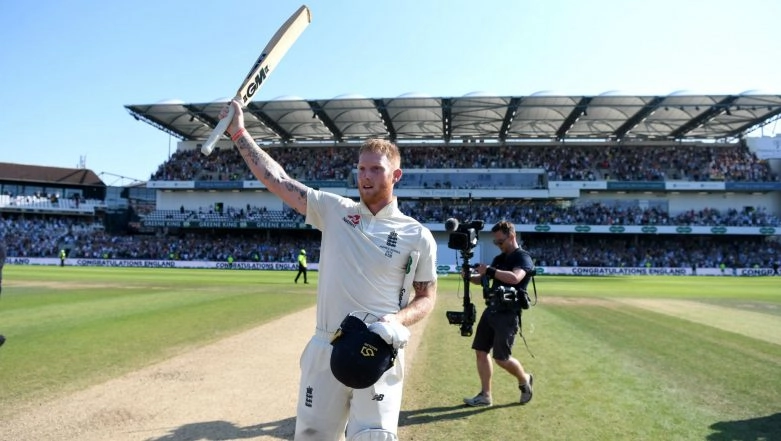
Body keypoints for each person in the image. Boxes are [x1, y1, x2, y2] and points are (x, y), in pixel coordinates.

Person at [220, 100, 438, 441]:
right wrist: (239, 133)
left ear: (396, 175)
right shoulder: (334, 210)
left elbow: (426, 297)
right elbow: (278, 179)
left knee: (373, 438)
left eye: (376, 169)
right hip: (326, 346)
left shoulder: (417, 234)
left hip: (377, 349)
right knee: (312, 436)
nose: (365, 177)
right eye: (361, 169)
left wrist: (397, 320)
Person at [463, 220, 534, 407]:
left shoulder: (522, 258)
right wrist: (469, 276)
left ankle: (524, 378)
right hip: (492, 309)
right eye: (496, 242)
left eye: (500, 241)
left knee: (502, 358)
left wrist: (491, 271)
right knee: (480, 351)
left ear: (512, 236)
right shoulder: (500, 259)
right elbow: (484, 279)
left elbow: (515, 278)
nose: (498, 245)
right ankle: (485, 396)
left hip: (508, 314)